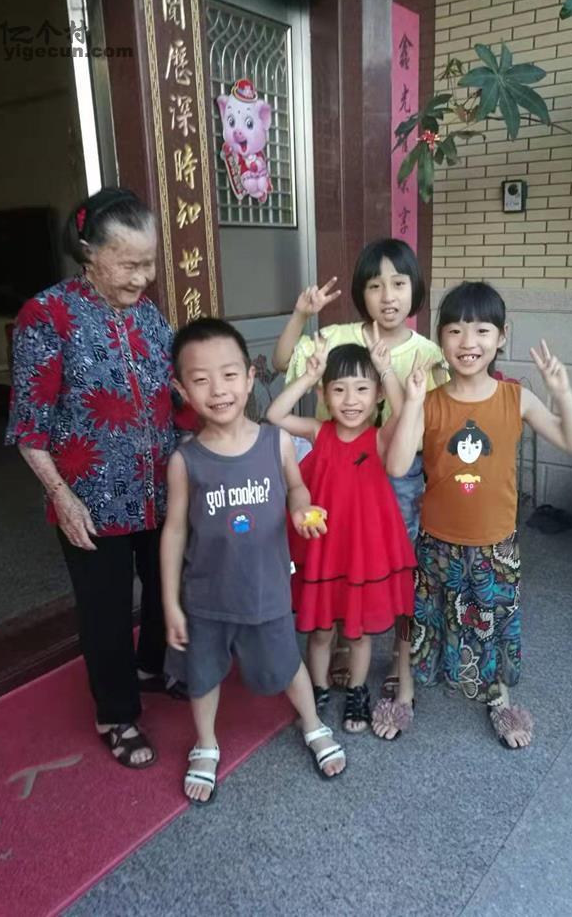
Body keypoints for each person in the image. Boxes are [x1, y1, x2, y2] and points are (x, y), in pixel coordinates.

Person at [6, 187, 192, 768]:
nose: (144, 277)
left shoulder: (148, 314)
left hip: (158, 487)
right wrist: (61, 497)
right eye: (130, 263)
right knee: (105, 609)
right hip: (91, 497)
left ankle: (152, 666)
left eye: (149, 263)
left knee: (165, 585)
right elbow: (30, 428)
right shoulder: (47, 316)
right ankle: (116, 712)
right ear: (89, 253)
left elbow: (173, 391)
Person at [387, 281, 572, 749]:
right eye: (455, 330)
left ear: (501, 336)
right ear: (441, 338)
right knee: (422, 618)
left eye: (481, 330)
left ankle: (499, 699)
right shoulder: (431, 402)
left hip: (496, 543)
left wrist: (562, 391)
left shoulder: (515, 399)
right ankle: (405, 693)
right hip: (437, 541)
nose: (468, 342)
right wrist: (412, 402)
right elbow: (396, 465)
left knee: (494, 621)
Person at [161, 318, 346, 805]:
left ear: (249, 378)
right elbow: (174, 531)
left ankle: (312, 723)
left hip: (266, 589)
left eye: (228, 375)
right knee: (202, 674)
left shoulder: (275, 441)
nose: (218, 390)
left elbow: (296, 486)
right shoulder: (185, 462)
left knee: (286, 663)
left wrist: (301, 509)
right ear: (182, 390)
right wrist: (171, 603)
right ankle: (205, 743)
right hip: (206, 597)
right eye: (201, 380)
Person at [272, 237, 447, 696]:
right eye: (375, 285)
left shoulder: (428, 353)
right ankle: (342, 649)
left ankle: (401, 662)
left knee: (396, 569)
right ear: (360, 292)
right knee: (341, 560)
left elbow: (427, 422)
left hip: (399, 473)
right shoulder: (336, 337)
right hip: (335, 467)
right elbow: (282, 362)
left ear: (415, 288)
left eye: (398, 283)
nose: (388, 296)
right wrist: (301, 316)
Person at [266, 328, 416, 740]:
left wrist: (387, 370)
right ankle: (316, 691)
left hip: (363, 551)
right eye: (339, 389)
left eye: (362, 389)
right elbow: (275, 415)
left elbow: (403, 415)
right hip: (324, 548)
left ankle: (356, 692)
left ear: (378, 396)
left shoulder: (380, 438)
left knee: (360, 632)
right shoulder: (320, 431)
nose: (351, 400)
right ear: (325, 395)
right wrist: (307, 376)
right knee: (321, 631)